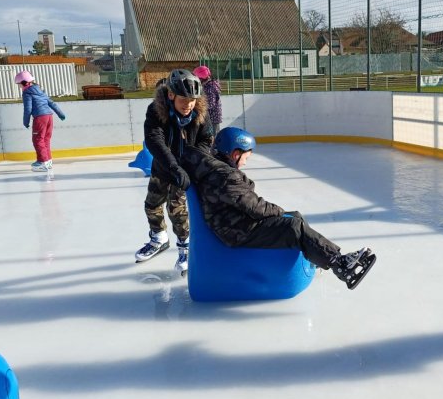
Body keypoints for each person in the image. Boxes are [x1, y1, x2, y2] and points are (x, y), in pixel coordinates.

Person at [180, 127, 377, 290]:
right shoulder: (225, 176)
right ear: (235, 153)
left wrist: (284, 214)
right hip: (236, 230)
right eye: (246, 157)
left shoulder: (218, 170)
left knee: (295, 217)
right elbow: (255, 207)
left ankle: (318, 258)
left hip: (235, 222)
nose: (246, 162)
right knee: (294, 227)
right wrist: (279, 212)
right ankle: (340, 265)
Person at [135, 69, 214, 276]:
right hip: (163, 167)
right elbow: (154, 140)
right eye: (183, 99)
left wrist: (192, 161)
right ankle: (159, 238)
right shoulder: (156, 111)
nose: (188, 104)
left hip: (185, 171)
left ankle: (185, 249)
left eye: (192, 100)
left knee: (176, 210)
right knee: (151, 204)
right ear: (171, 95)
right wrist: (173, 166)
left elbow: (206, 140)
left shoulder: (200, 113)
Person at [14, 70, 66, 172]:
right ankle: (48, 161)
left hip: (40, 117)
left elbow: (28, 108)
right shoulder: (40, 90)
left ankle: (43, 162)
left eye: (19, 84)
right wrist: (61, 114)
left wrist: (26, 121)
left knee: (37, 139)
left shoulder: (27, 92)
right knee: (45, 139)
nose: (19, 87)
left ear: (25, 83)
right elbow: (51, 103)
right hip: (49, 116)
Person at [193, 66, 222, 136]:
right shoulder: (207, 85)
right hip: (209, 117)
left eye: (198, 79)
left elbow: (210, 104)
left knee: (212, 139)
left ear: (201, 77)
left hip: (212, 118)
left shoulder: (210, 87)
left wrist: (197, 108)